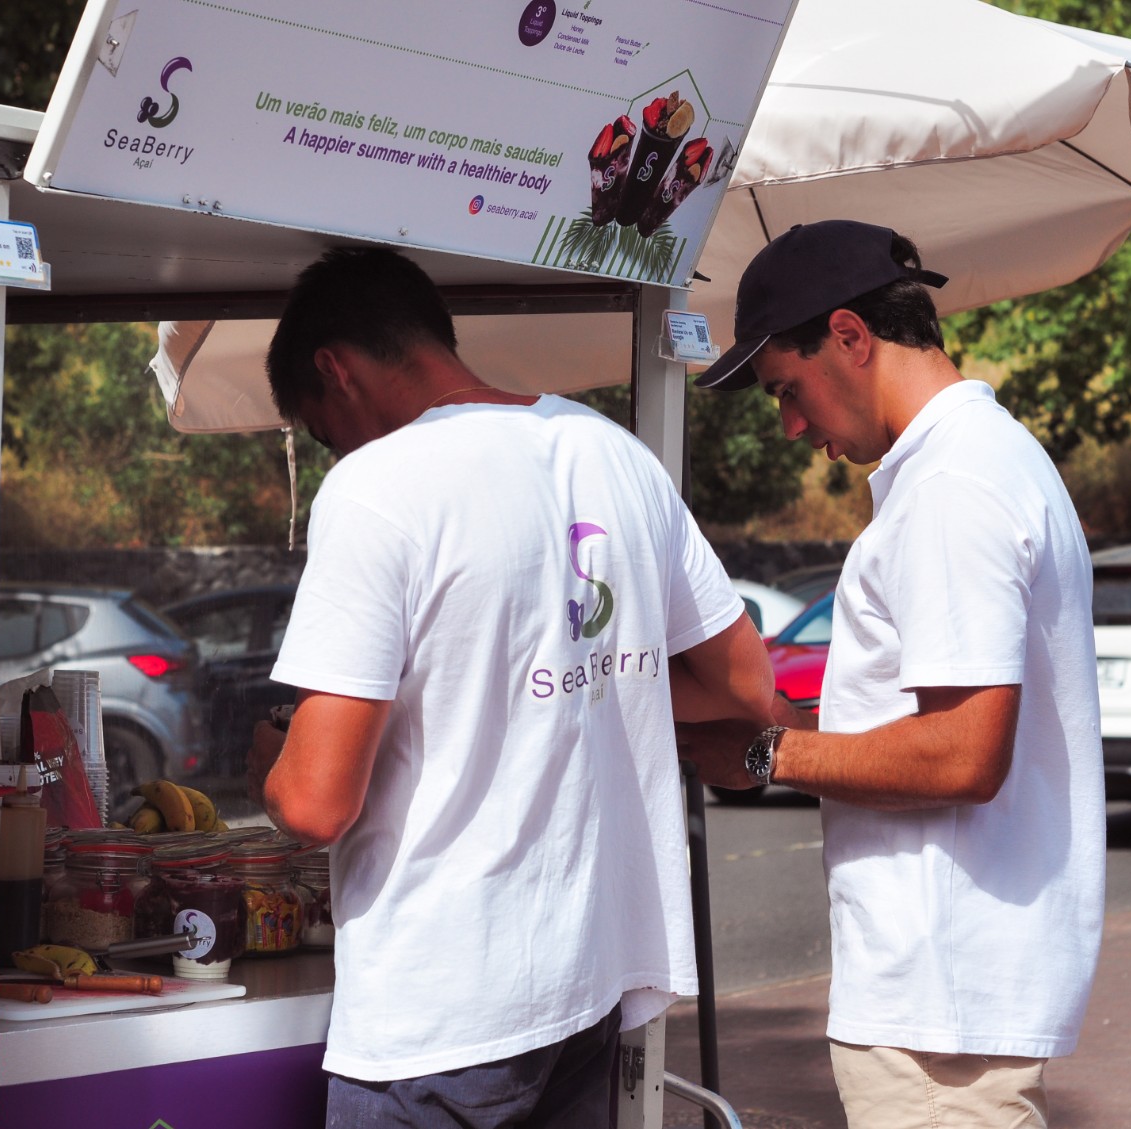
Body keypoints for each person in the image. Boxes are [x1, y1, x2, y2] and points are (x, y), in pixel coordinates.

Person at [247, 246, 776, 1128]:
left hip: (438, 1012)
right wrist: (594, 687)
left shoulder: (376, 487)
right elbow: (745, 682)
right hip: (588, 984)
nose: (335, 446)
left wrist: (275, 752)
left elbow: (314, 803)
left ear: (333, 371)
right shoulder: (614, 453)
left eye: (322, 428)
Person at [681, 220, 1105, 1129]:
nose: (792, 426)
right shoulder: (982, 461)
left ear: (849, 336)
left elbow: (963, 756)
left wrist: (766, 754)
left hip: (938, 1010)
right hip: (952, 996)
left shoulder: (953, 485)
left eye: (786, 391)